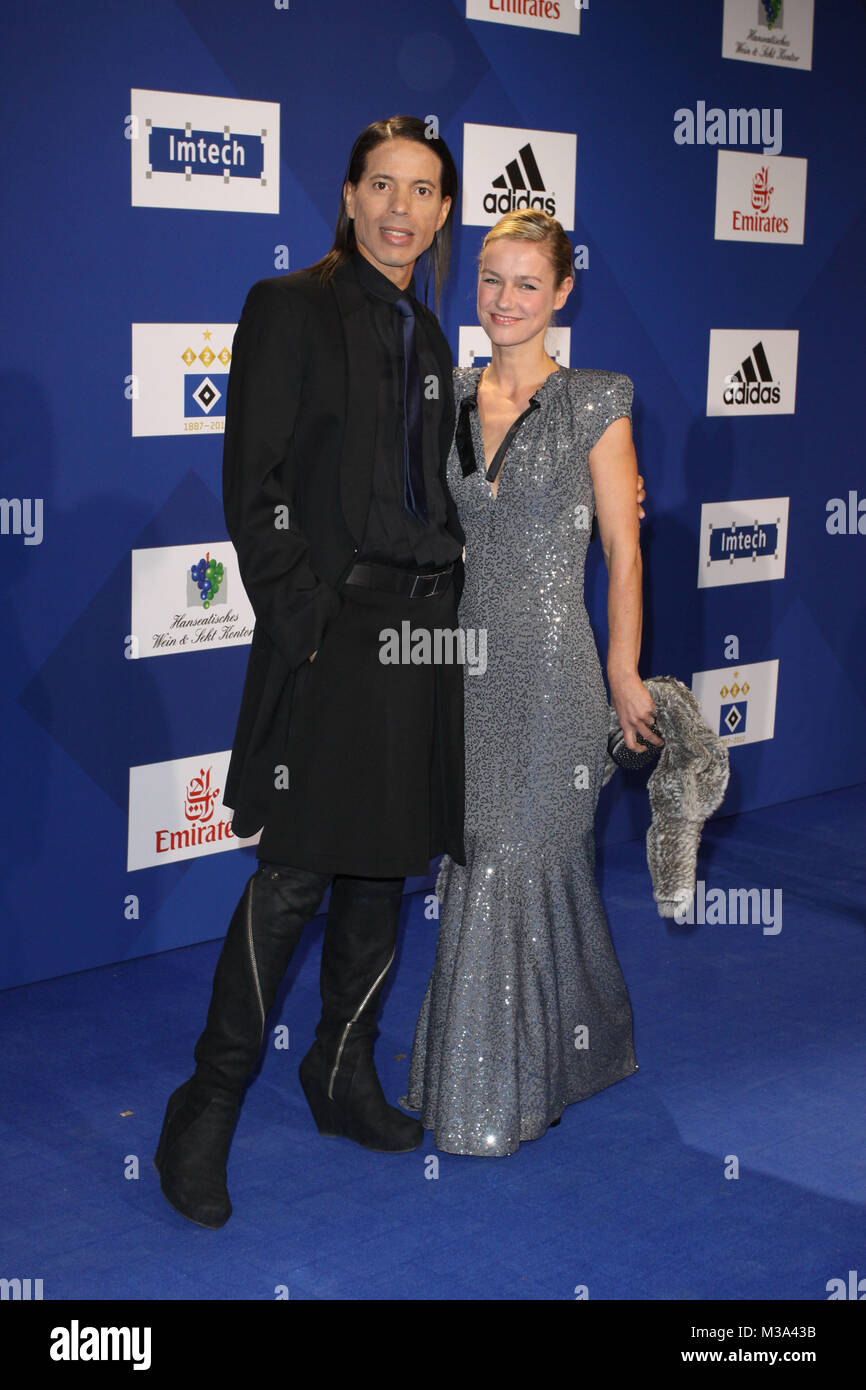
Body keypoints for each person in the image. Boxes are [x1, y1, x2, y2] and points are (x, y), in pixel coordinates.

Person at [154, 116, 468, 1228]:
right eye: (380, 184)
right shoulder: (285, 307)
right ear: (346, 197)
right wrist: (312, 627)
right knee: (291, 874)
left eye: (422, 191)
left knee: (384, 871)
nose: (399, 207)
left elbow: (440, 496)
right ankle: (206, 1104)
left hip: (419, 639)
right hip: (330, 634)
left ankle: (339, 1070)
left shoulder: (431, 337)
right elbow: (257, 482)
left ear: (441, 214)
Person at [403, 209, 662, 1156]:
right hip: (465, 667)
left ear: (561, 293)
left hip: (557, 671)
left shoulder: (598, 399)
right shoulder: (448, 398)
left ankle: (495, 1095)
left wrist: (625, 672)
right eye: (489, 280)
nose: (504, 300)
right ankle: (576, 1051)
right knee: (481, 859)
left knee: (522, 856)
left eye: (526, 283)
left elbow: (626, 556)